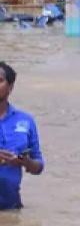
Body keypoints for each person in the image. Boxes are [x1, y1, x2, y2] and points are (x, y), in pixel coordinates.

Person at [0, 62, 43, 210]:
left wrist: (25, 162)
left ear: (11, 87)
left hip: (12, 208)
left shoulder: (25, 121)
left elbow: (39, 166)